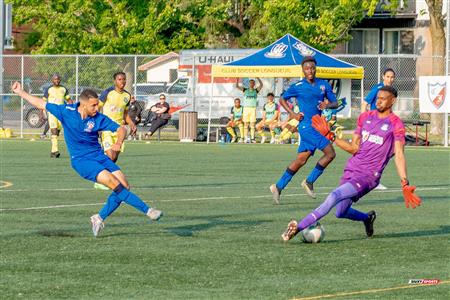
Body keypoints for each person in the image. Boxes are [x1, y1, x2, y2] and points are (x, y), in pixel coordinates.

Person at [11, 82, 163, 237]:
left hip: (99, 156)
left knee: (125, 186)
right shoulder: (66, 111)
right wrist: (20, 92)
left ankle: (98, 218)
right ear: (83, 105)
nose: (97, 108)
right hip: (82, 161)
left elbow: (121, 129)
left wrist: (118, 142)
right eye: (94, 106)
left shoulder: (98, 118)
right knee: (114, 184)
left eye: (97, 105)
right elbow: (41, 103)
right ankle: (148, 211)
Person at [281, 86, 422, 242]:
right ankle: (367, 218)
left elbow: (399, 154)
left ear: (392, 101)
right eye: (377, 98)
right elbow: (354, 148)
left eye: (383, 98)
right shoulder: (365, 117)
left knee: (334, 195)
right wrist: (330, 136)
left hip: (368, 177)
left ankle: (297, 227)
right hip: (352, 170)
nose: (378, 100)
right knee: (340, 212)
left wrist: (404, 182)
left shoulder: (396, 124)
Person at [270, 56, 338, 204]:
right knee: (330, 153)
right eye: (307, 68)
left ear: (316, 68)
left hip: (317, 126)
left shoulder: (323, 84)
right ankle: (309, 181)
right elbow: (282, 99)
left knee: (301, 160)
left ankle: (278, 186)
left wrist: (327, 105)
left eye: (312, 68)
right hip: (306, 127)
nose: (310, 71)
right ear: (303, 70)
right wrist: (292, 114)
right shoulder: (298, 86)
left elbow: (335, 103)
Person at [362, 68, 396, 190]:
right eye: (387, 76)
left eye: (392, 77)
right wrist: (363, 121)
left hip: (385, 125)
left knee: (392, 150)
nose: (390, 79)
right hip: (374, 125)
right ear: (383, 77)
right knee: (378, 152)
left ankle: (373, 177)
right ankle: (372, 179)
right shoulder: (378, 89)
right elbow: (365, 103)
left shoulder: (392, 91)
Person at [99, 72, 136, 162]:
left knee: (114, 158)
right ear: (115, 81)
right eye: (119, 79)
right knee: (111, 156)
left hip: (120, 129)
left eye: (124, 79)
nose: (122, 81)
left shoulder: (127, 96)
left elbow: (125, 114)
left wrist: (132, 124)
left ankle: (104, 168)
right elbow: (97, 108)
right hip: (106, 128)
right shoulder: (107, 92)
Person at [43, 74, 72, 157]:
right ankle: (55, 150)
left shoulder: (63, 89)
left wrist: (71, 109)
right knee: (54, 130)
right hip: (52, 113)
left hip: (62, 113)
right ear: (52, 80)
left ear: (60, 80)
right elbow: (44, 101)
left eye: (58, 79)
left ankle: (53, 151)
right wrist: (42, 112)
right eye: (55, 79)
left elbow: (69, 100)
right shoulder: (49, 89)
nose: (57, 81)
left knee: (57, 132)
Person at [235, 78, 263, 143]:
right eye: (250, 83)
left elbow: (261, 85)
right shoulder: (245, 90)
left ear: (254, 84)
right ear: (249, 84)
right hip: (246, 109)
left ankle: (252, 138)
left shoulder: (256, 90)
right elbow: (237, 86)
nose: (251, 84)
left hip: (253, 109)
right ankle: (245, 138)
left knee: (252, 125)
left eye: (253, 83)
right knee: (246, 124)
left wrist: (258, 78)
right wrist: (237, 80)